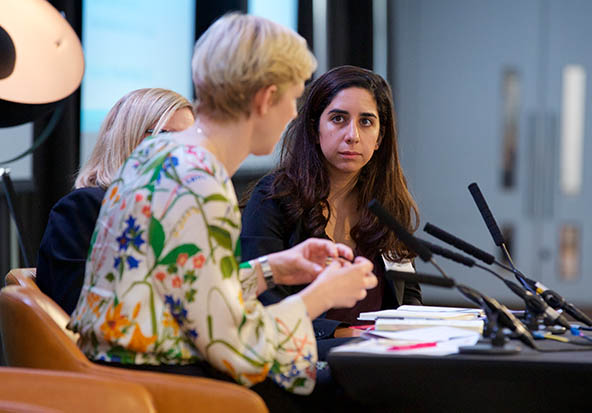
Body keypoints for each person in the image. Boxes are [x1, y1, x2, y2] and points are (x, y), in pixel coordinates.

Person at [67, 13, 377, 412]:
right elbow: (237, 347)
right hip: (166, 386)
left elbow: (186, 286)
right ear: (265, 98)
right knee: (363, 389)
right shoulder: (199, 180)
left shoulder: (158, 154)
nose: (293, 114)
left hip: (120, 375)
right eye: (292, 98)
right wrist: (322, 295)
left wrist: (275, 269)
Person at [241, 65, 422, 346]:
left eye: (366, 122)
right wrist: (337, 332)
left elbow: (407, 295)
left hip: (381, 353)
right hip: (303, 352)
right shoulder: (273, 198)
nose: (353, 135)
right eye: (338, 119)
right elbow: (262, 300)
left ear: (379, 138)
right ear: (315, 129)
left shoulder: (388, 203)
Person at [36, 88, 194, 314]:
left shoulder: (185, 212)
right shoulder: (83, 208)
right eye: (166, 136)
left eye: (190, 139)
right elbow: (79, 310)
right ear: (127, 138)